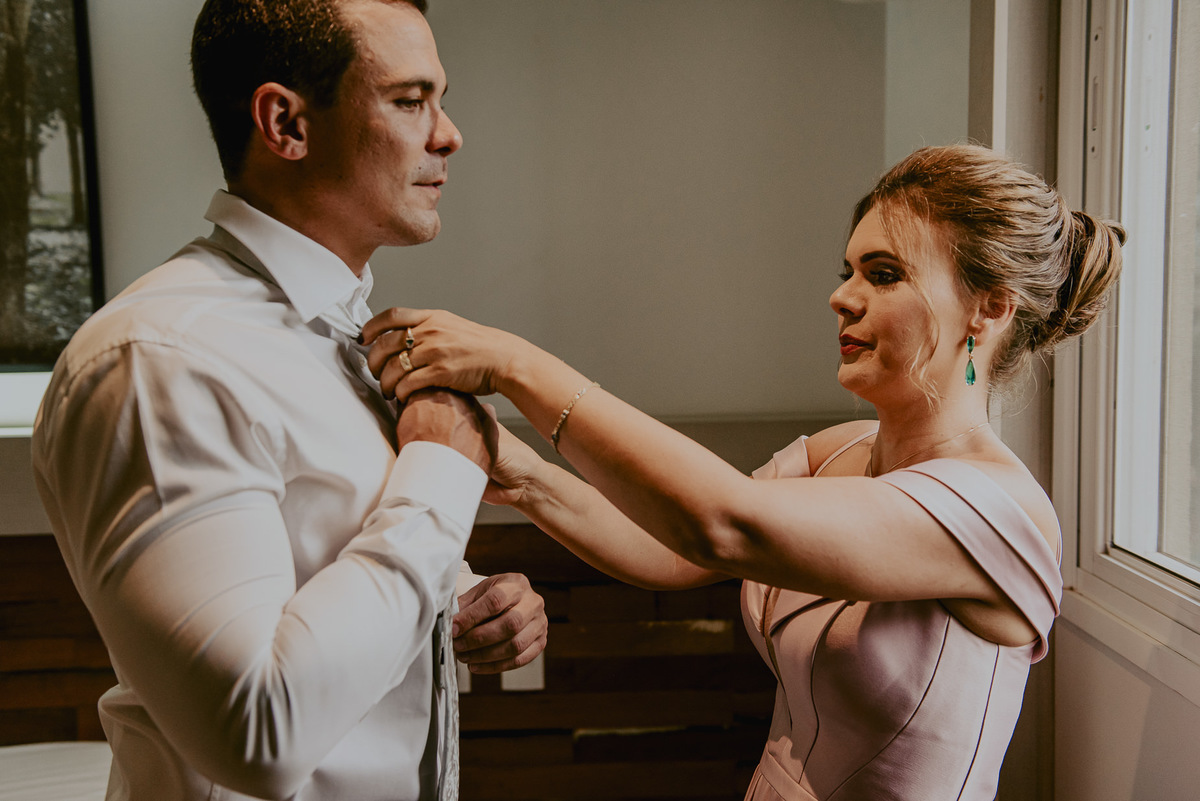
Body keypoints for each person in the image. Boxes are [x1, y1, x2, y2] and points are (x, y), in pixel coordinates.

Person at [360, 144, 1124, 800]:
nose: (841, 295)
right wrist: (515, 467)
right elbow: (671, 546)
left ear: (988, 310)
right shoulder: (842, 452)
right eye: (849, 269)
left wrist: (515, 362)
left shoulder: (998, 509)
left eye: (884, 274)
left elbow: (723, 524)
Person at [31, 1, 547, 799]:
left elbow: (330, 574)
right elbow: (256, 733)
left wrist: (462, 604)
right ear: (286, 123)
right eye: (410, 101)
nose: (448, 134)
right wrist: (442, 477)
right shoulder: (161, 359)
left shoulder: (340, 337)